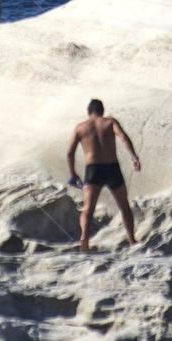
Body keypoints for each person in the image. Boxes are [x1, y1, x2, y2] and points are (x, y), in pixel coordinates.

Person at [67, 98, 141, 251]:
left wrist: (73, 173)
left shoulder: (80, 127)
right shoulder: (110, 122)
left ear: (89, 112)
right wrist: (134, 157)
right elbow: (123, 137)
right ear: (102, 111)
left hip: (93, 170)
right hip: (112, 168)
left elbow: (70, 152)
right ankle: (132, 240)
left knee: (88, 209)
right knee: (124, 206)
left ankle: (84, 241)